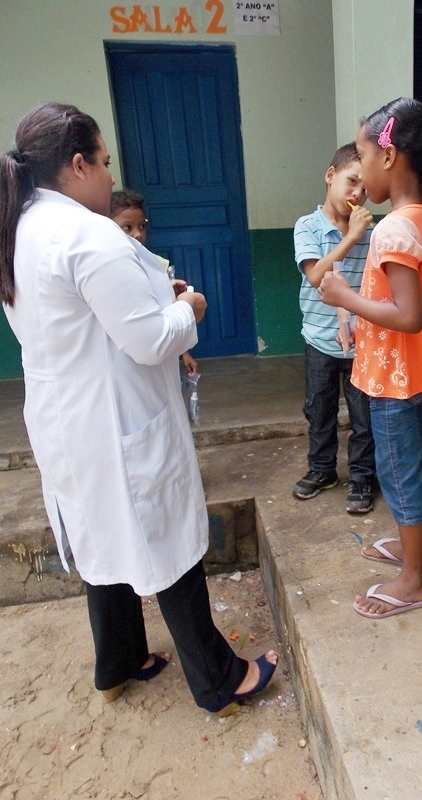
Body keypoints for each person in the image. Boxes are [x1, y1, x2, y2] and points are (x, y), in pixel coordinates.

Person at [0, 102, 277, 711]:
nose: (107, 173)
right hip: (115, 419)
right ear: (77, 163)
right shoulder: (86, 232)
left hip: (65, 421)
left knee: (102, 536)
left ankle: (118, 663)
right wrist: (189, 309)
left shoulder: (20, 228)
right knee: (166, 542)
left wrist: (158, 297)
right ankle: (219, 681)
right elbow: (150, 340)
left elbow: (91, 318)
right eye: (103, 161)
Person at [319, 98, 422, 618]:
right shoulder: (420, 218)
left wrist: (345, 299)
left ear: (390, 155)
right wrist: (360, 316)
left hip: (394, 382)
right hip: (407, 375)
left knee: (397, 470)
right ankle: (412, 549)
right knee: (408, 463)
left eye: (363, 153)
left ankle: (414, 578)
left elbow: (408, 315)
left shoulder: (393, 228)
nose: (359, 170)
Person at [293, 143, 377, 514]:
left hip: (361, 344)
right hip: (319, 340)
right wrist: (350, 239)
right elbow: (315, 274)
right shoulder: (307, 226)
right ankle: (322, 469)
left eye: (365, 188)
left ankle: (362, 477)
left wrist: (360, 236)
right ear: (330, 176)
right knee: (319, 410)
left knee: (364, 417)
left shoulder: (372, 233)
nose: (357, 193)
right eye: (351, 181)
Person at [109, 188, 198, 376]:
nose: (138, 234)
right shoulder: (108, 270)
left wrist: (184, 353)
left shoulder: (156, 264)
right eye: (127, 228)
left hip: (162, 354)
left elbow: (168, 315)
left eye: (142, 226)